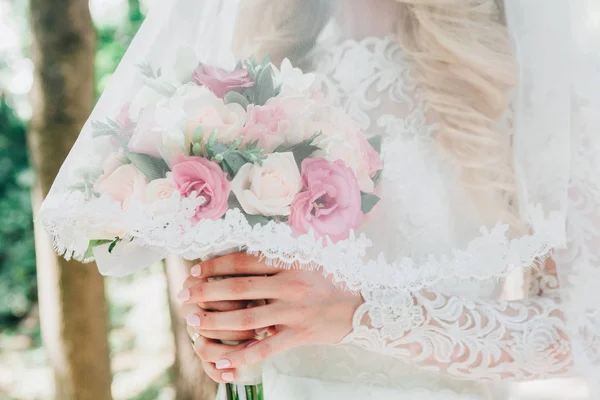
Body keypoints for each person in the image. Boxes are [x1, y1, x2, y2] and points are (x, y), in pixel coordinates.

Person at [177, 0, 595, 399]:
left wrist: (363, 315)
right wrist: (229, 325)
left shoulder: (518, 77)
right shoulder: (254, 69)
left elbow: (581, 330)